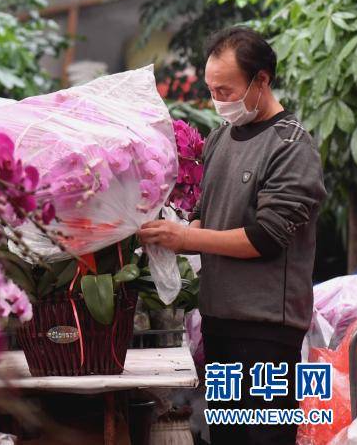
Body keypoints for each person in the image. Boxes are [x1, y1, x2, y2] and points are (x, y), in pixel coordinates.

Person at [138, 27, 327, 445]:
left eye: (227, 90)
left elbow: (265, 237)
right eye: (212, 89)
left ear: (262, 80)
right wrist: (160, 232)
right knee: (225, 438)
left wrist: (185, 239)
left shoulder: (291, 146)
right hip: (219, 323)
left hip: (266, 332)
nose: (219, 100)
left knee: (261, 438)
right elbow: (207, 220)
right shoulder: (220, 139)